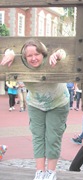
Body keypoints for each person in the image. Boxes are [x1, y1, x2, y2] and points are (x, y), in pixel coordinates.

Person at [1, 38, 69, 180]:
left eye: (36, 54)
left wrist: (58, 55)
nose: (33, 58)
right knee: (38, 136)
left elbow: (64, 52)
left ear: (43, 54)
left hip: (58, 102)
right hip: (35, 104)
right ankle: (40, 172)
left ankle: (51, 172)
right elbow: (9, 50)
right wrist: (10, 52)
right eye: (29, 55)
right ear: (24, 58)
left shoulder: (50, 59)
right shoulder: (23, 63)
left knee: (52, 137)